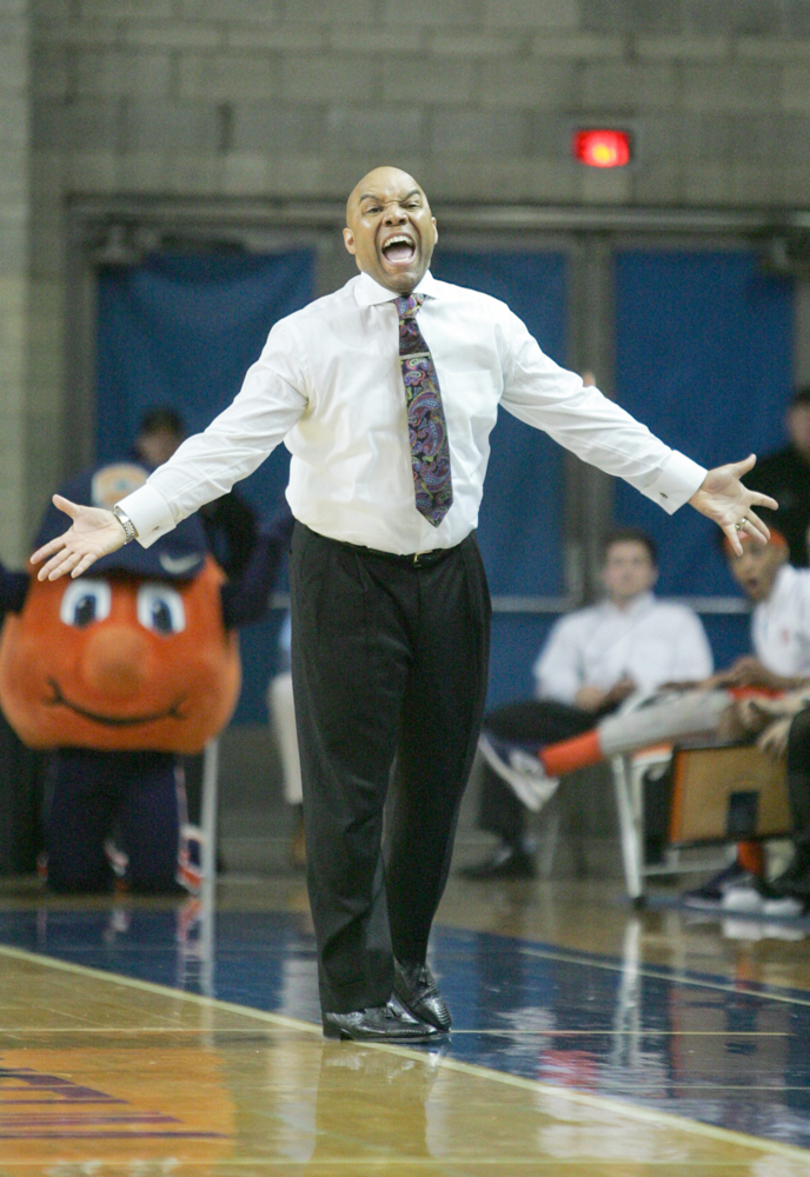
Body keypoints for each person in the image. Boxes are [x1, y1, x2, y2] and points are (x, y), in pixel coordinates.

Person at [30, 165, 776, 1044]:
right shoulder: (307, 336)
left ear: (432, 225)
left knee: (435, 786)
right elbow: (226, 446)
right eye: (374, 207)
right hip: (344, 576)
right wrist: (129, 518)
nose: (396, 215)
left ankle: (407, 963)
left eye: (411, 203)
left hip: (450, 572)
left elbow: (582, 415)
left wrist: (690, 483)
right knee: (349, 791)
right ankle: (352, 989)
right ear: (351, 238)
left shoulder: (486, 324)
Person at [462, 528, 714, 879]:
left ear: (653, 572)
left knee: (663, 732)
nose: (627, 571)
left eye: (637, 562)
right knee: (500, 722)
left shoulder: (678, 621)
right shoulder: (577, 625)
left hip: (652, 714)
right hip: (590, 718)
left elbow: (698, 677)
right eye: (618, 563)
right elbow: (551, 678)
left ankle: (654, 852)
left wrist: (641, 686)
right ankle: (511, 847)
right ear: (605, 572)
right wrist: (580, 693)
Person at [681, 527, 810, 909]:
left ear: (782, 553)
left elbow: (790, 682)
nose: (747, 566)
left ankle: (777, 868)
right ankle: (751, 863)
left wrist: (784, 700)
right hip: (792, 703)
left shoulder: (803, 592)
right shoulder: (764, 611)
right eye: (737, 558)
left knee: (782, 727)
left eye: (755, 552)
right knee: (739, 716)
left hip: (799, 706)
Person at [135, 406, 259, 580]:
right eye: (155, 437)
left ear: (181, 443)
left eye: (169, 437)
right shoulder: (127, 481)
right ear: (141, 442)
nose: (162, 444)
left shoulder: (198, 479)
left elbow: (244, 526)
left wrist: (228, 577)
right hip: (138, 575)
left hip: (189, 577)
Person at [750, 386, 810, 568]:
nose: (808, 428)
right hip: (780, 576)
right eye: (803, 420)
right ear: (789, 421)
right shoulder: (766, 473)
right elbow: (733, 522)